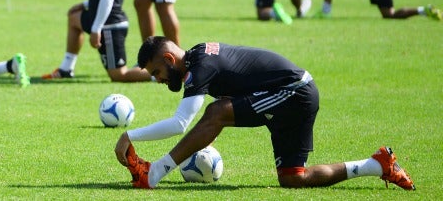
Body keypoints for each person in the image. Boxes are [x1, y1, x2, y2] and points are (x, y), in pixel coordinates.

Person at [115, 36, 416, 191]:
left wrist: (129, 135)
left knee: (216, 111)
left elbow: (181, 123)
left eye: (157, 72)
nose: (158, 80)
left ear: (169, 58)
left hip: (294, 91)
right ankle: (376, 165)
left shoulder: (200, 67)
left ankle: (153, 174)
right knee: (293, 179)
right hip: (295, 94)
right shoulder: (197, 57)